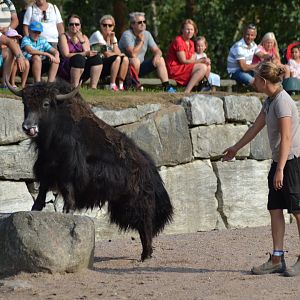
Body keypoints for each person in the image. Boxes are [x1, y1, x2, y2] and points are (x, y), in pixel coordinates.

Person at [223, 61, 300, 277]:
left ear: (264, 82)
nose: (253, 81)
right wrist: (235, 148)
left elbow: (286, 138)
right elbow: (256, 127)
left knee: (298, 211)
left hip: (292, 163)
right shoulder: (270, 101)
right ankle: (277, 258)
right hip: (281, 162)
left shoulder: (283, 102)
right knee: (275, 209)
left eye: (256, 78)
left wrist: (281, 169)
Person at [119, 11, 176, 93]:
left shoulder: (147, 34)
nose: (143, 24)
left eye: (144, 21)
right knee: (135, 61)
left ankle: (167, 87)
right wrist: (141, 41)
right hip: (126, 69)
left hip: (140, 66)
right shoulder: (127, 34)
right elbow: (133, 54)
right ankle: (133, 85)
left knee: (160, 59)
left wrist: (157, 55)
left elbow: (158, 50)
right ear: (132, 25)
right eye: (139, 22)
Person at [59, 14, 103, 89]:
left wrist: (81, 39)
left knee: (96, 58)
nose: (74, 26)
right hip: (68, 65)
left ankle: (93, 87)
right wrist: (84, 54)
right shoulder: (63, 37)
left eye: (77, 24)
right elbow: (66, 55)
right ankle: (74, 87)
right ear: (68, 26)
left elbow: (88, 52)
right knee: (79, 58)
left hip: (82, 65)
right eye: (71, 24)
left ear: (80, 26)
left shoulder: (84, 37)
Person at [89, 14, 129, 91]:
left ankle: (121, 85)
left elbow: (116, 52)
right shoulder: (97, 35)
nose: (107, 27)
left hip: (107, 64)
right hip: (96, 65)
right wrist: (117, 53)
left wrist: (113, 41)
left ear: (113, 27)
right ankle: (112, 84)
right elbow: (106, 54)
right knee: (117, 58)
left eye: (110, 25)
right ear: (100, 26)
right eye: (104, 25)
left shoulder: (113, 37)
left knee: (125, 59)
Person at [0, 0, 19, 88]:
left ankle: (5, 83)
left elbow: (15, 20)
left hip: (7, 35)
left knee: (11, 52)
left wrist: (7, 30)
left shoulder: (8, 2)